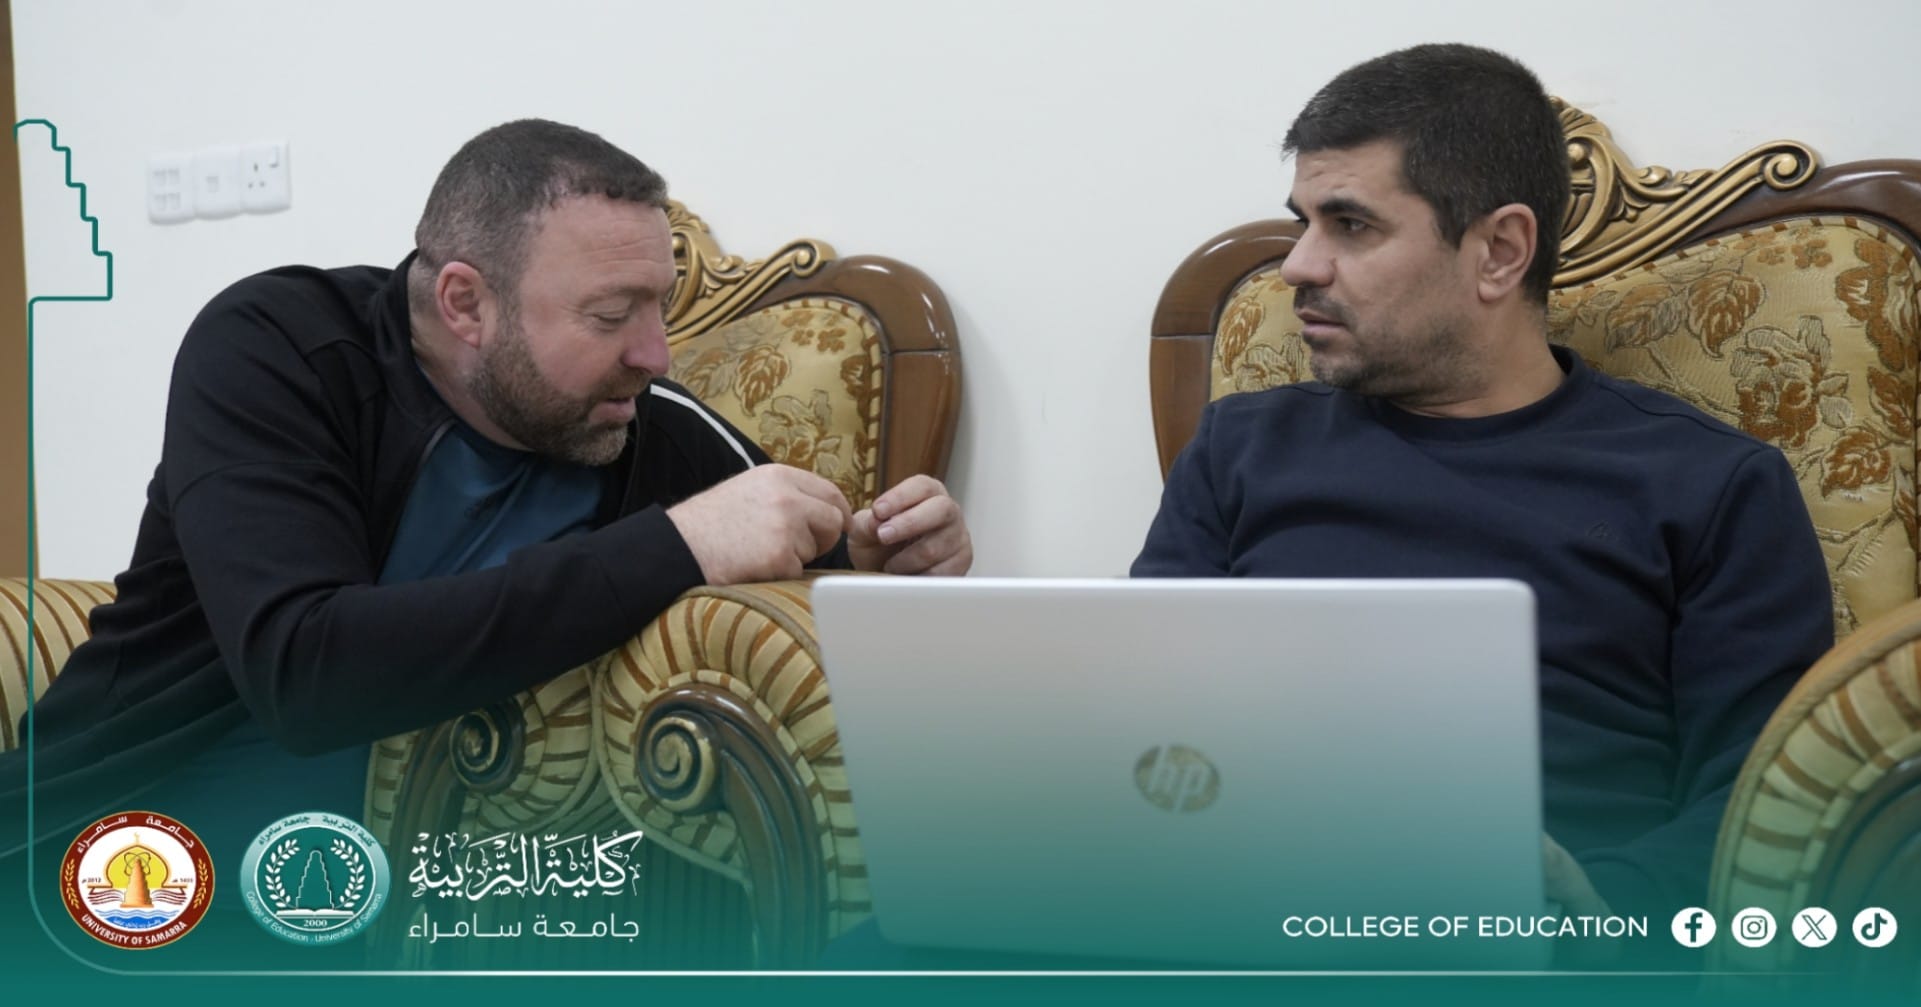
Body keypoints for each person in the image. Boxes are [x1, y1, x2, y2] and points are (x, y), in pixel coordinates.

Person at [1, 119, 971, 896]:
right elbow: (303, 670)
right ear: (465, 304)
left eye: (659, 306)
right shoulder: (280, 350)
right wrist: (678, 543)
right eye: (610, 315)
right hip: (119, 849)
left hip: (445, 901)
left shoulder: (642, 419)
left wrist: (881, 563)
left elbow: (803, 560)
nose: (656, 354)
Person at [1133, 44, 1832, 931]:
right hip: (1244, 916)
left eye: (1349, 225)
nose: (1298, 266)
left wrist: (1603, 905)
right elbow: (1140, 719)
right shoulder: (1239, 445)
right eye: (1302, 222)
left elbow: (1767, 794)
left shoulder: (1710, 485)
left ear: (1499, 252)